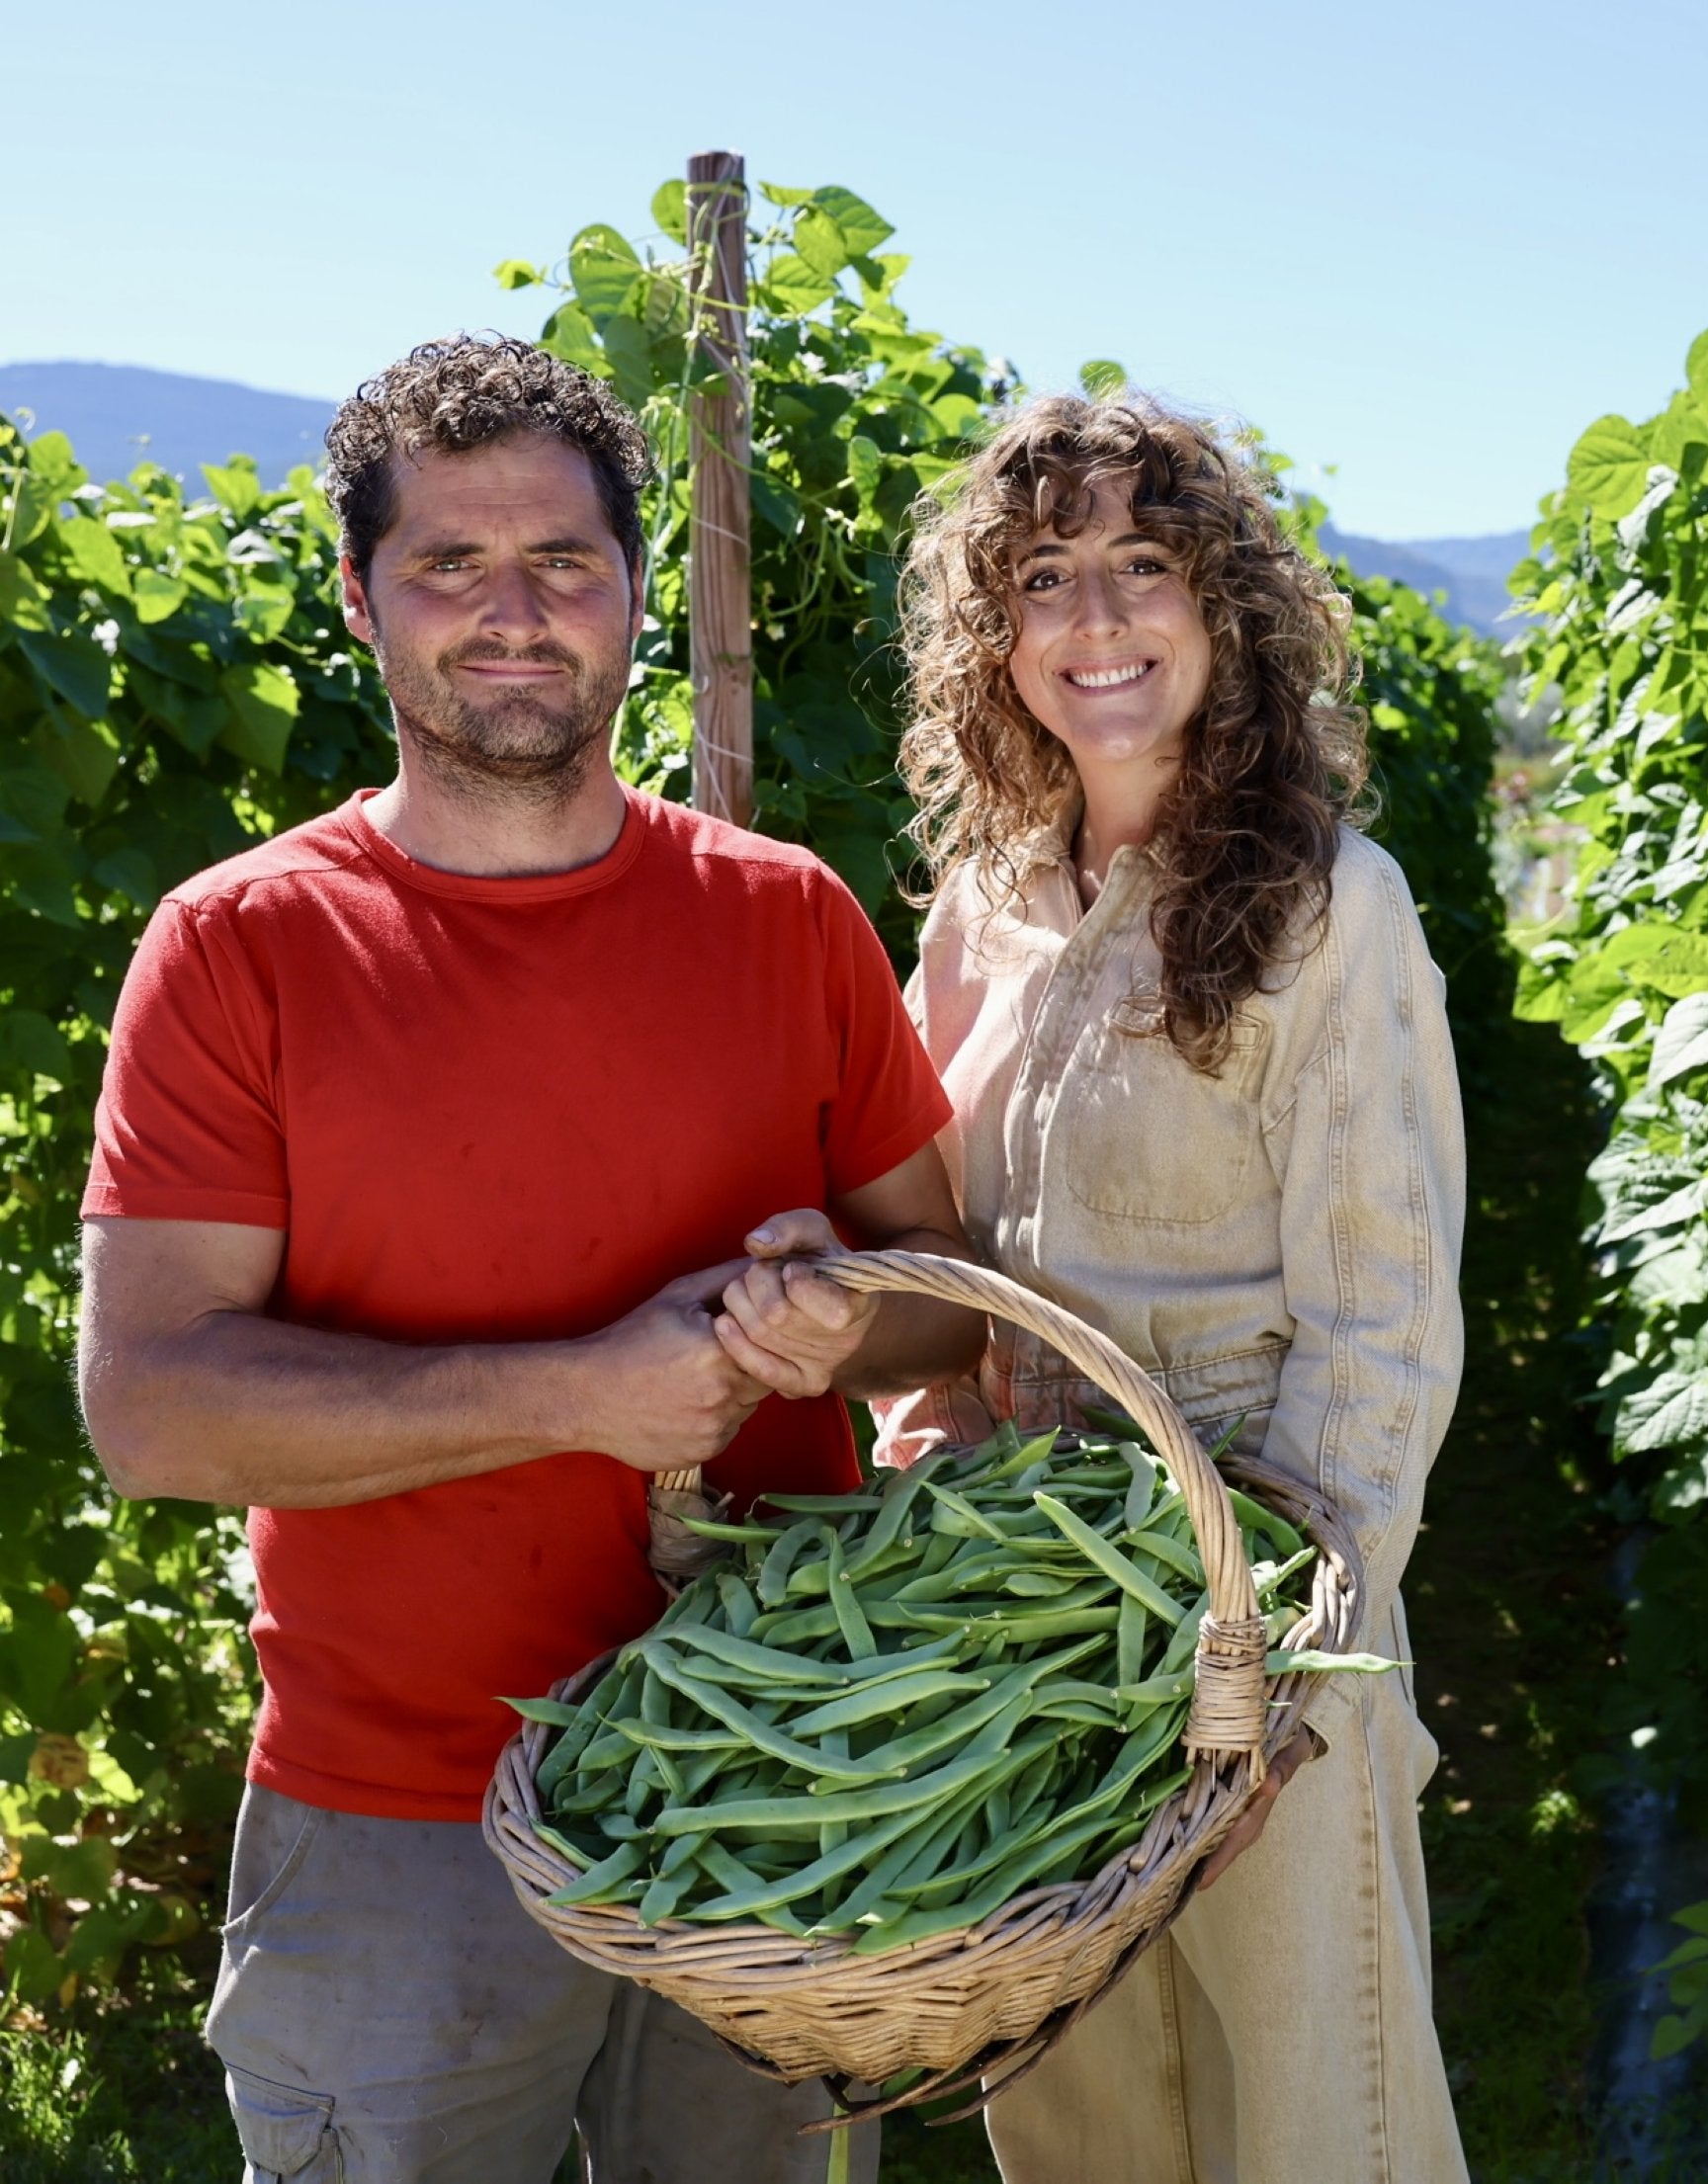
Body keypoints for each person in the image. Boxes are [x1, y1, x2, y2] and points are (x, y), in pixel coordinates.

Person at [76, 334, 983, 2184]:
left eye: (564, 562)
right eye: (449, 564)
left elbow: (935, 1296)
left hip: (778, 1780)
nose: (514, 612)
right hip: (398, 1812)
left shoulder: (787, 916)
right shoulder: (239, 947)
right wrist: (587, 1390)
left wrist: (837, 1326)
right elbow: (154, 1408)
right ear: (361, 597)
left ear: (636, 592)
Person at [880, 392, 1470, 2182]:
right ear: (998, 633)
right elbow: (946, 1248)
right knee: (1078, 2110)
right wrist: (927, 1459)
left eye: (1146, 566)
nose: (1098, 620)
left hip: (1261, 1587)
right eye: (1045, 576)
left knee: (1311, 2115)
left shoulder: (1324, 907)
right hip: (1038, 1619)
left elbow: (1380, 1318)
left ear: (1227, 612)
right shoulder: (981, 904)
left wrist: (1288, 1650)